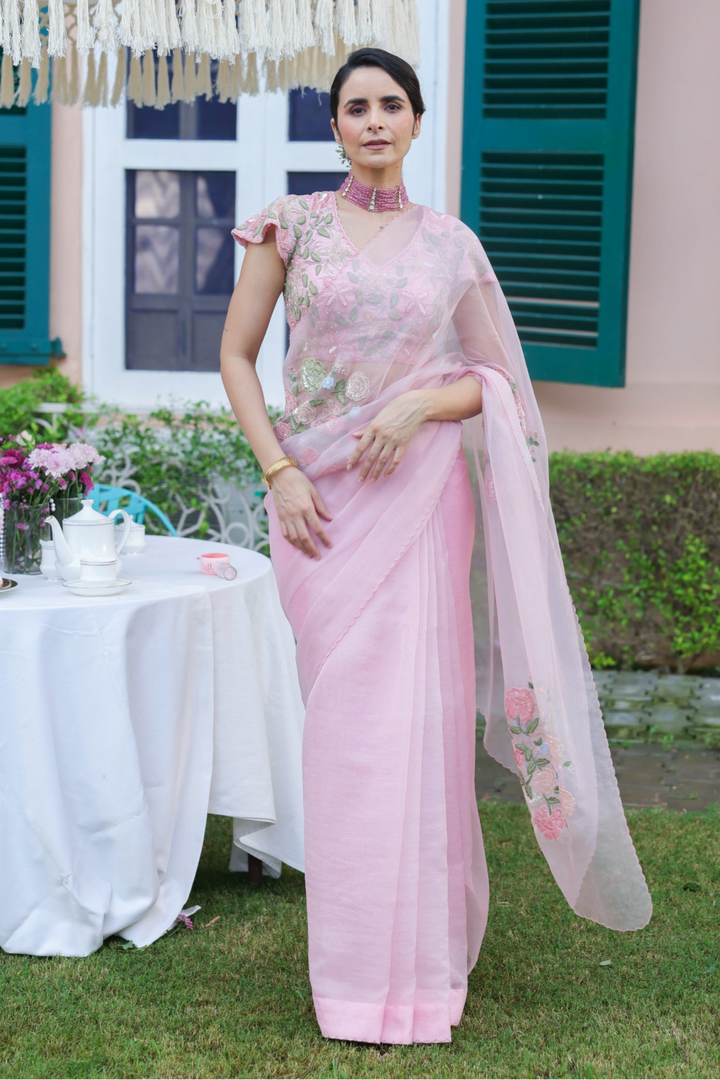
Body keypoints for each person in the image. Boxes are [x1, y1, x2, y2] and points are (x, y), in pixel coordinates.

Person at [220, 47, 652, 1046]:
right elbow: (238, 355)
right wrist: (279, 471)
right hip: (319, 506)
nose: (374, 121)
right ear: (335, 128)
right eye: (355, 108)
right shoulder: (292, 227)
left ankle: (414, 974)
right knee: (347, 739)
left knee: (417, 730)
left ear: (417, 121)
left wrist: (422, 399)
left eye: (391, 105)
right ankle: (355, 973)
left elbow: (496, 382)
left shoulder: (453, 246)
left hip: (418, 502)